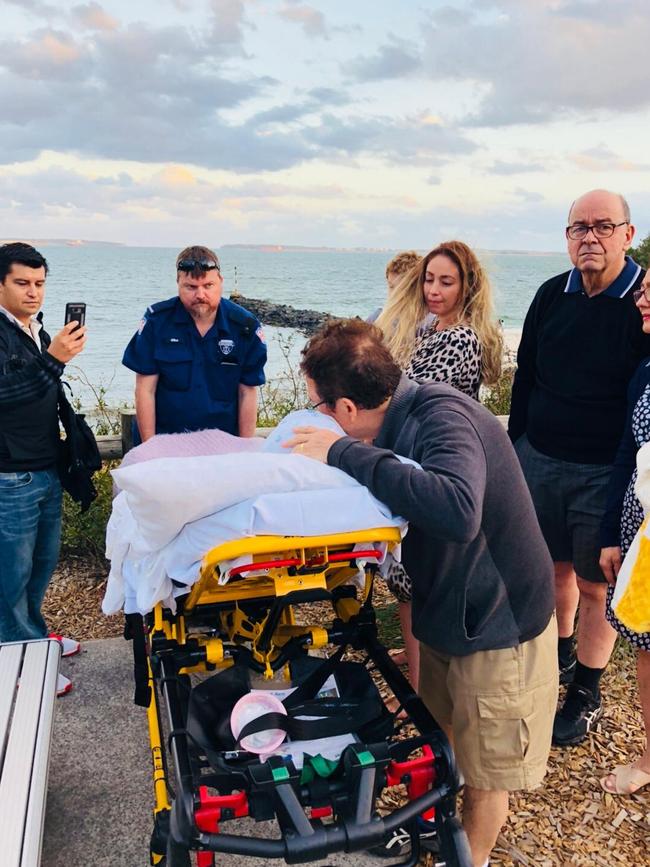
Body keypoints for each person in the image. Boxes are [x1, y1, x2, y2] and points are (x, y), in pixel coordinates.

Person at [284, 318, 557, 867]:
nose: (316, 418)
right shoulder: (389, 425)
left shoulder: (441, 415)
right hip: (447, 612)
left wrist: (341, 454)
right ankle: (438, 838)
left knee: (485, 774)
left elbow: (456, 511)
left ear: (347, 410)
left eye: (317, 406)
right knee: (443, 741)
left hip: (498, 622)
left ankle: (471, 859)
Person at [508, 189, 650, 747]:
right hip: (541, 457)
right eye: (578, 228)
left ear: (626, 234)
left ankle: (587, 693)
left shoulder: (641, 303)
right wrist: (518, 446)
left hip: (603, 471)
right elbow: (527, 375)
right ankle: (561, 656)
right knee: (553, 571)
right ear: (567, 238)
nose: (589, 236)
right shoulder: (549, 295)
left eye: (602, 226)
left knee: (595, 585)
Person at [374, 241, 503, 688]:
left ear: (467, 287)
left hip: (431, 466)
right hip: (418, 461)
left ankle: (418, 688)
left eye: (446, 282)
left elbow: (403, 400)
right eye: (429, 279)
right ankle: (418, 666)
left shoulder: (457, 338)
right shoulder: (430, 330)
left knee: (413, 584)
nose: (433, 289)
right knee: (409, 585)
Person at [0, 242, 86, 695]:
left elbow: (40, 392)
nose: (33, 293)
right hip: (9, 474)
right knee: (9, 576)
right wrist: (55, 359)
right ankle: (19, 665)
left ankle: (32, 637)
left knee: (40, 564)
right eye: (22, 283)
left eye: (39, 284)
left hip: (44, 467)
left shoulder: (32, 329)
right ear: (1, 284)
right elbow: (5, 393)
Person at [123, 246, 267, 443]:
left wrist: (243, 450)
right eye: (191, 287)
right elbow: (145, 390)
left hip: (222, 443)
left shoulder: (244, 327)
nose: (200, 294)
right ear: (178, 283)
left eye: (208, 285)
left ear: (221, 282)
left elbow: (247, 393)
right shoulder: (157, 323)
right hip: (166, 442)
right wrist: (150, 449)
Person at [598, 272, 650, 794]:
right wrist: (613, 534)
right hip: (642, 534)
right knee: (646, 645)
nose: (643, 297)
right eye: (644, 287)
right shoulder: (645, 370)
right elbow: (625, 457)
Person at [366, 250, 421, 325]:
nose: (394, 294)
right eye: (391, 287)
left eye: (400, 289)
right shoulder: (377, 318)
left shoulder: (428, 324)